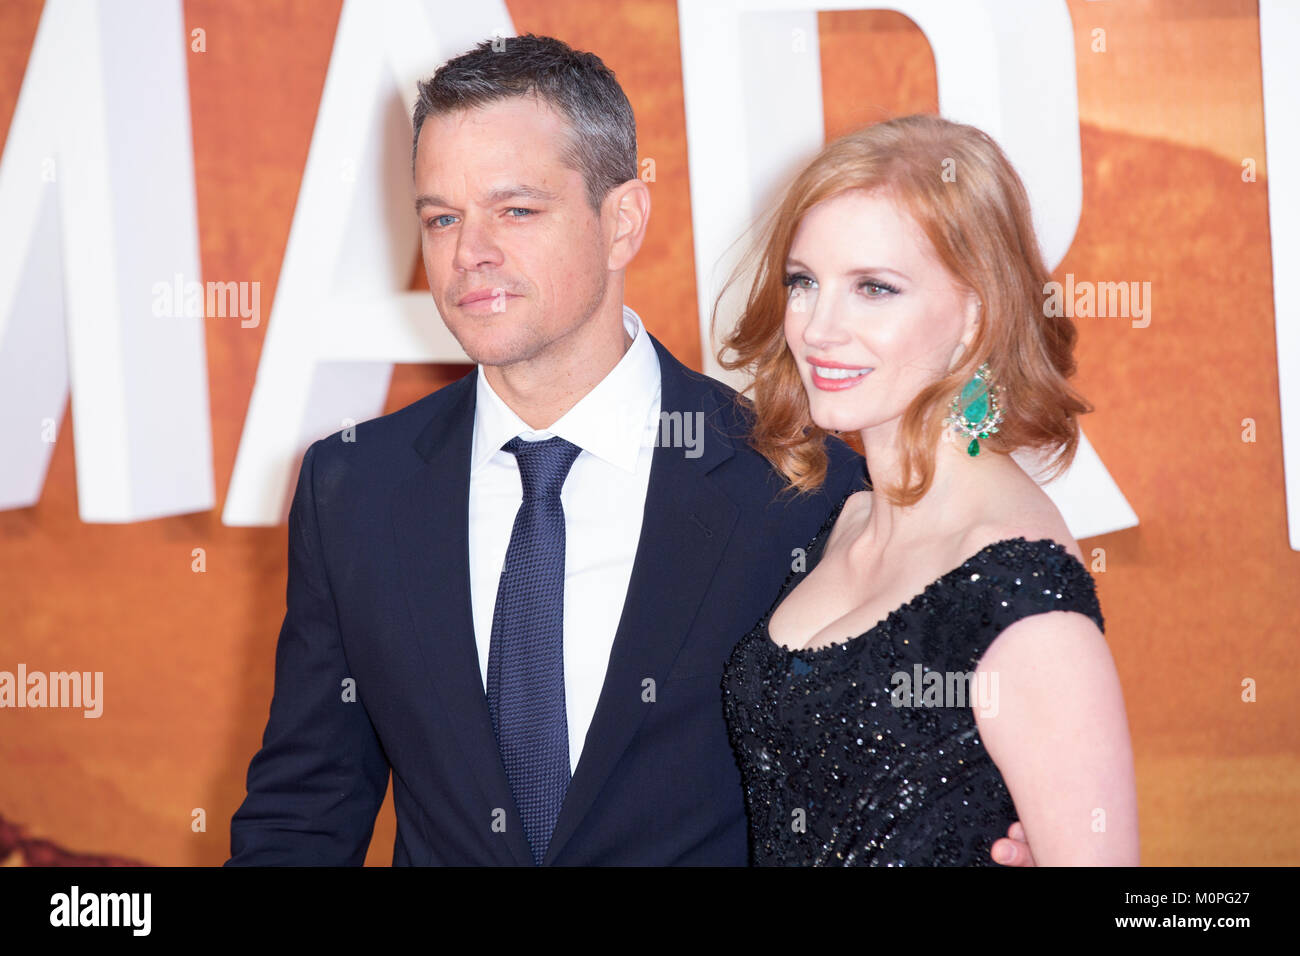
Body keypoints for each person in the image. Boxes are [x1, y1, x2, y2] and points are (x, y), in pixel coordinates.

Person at [225, 35, 1034, 866]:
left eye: (516, 209)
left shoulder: (798, 488)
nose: (471, 254)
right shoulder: (354, 486)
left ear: (622, 222)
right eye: (442, 218)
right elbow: (304, 810)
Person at [718, 114, 1140, 865]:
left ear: (977, 314)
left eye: (875, 289)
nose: (819, 328)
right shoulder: (841, 519)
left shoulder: (1014, 584)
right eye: (805, 282)